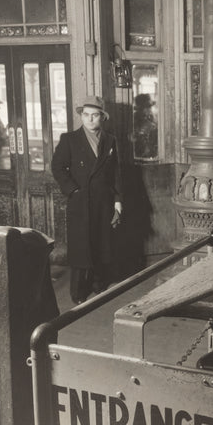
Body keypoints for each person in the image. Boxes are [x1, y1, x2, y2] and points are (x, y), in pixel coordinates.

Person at [51, 96, 123, 304]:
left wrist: (117, 201)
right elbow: (57, 167)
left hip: (104, 202)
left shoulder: (110, 140)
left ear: (102, 117)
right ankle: (77, 292)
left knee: (101, 244)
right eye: (86, 115)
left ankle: (99, 285)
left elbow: (115, 173)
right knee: (81, 248)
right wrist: (73, 190)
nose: (90, 119)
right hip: (81, 202)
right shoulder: (70, 139)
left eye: (95, 115)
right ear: (81, 116)